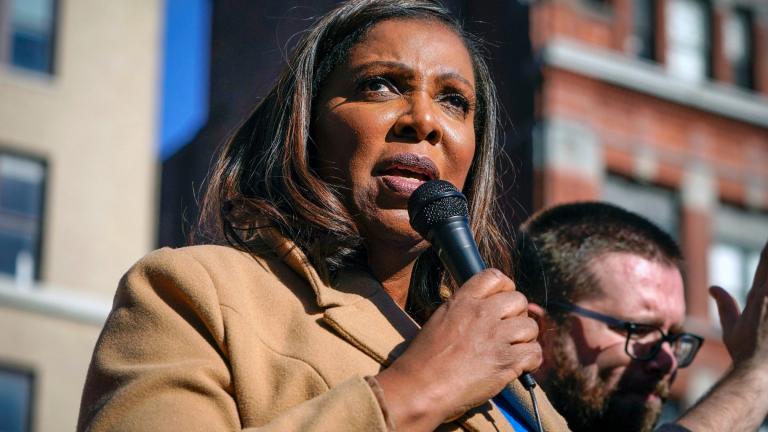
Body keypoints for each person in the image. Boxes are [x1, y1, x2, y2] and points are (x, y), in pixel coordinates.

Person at [77, 1, 569, 431]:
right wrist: (421, 388)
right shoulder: (191, 292)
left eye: (453, 100)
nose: (424, 120)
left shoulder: (508, 364)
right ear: (306, 126)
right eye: (380, 85)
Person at [515, 201, 768, 432]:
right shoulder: (492, 419)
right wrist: (756, 374)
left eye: (673, 338)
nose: (668, 361)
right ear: (538, 333)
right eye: (638, 329)